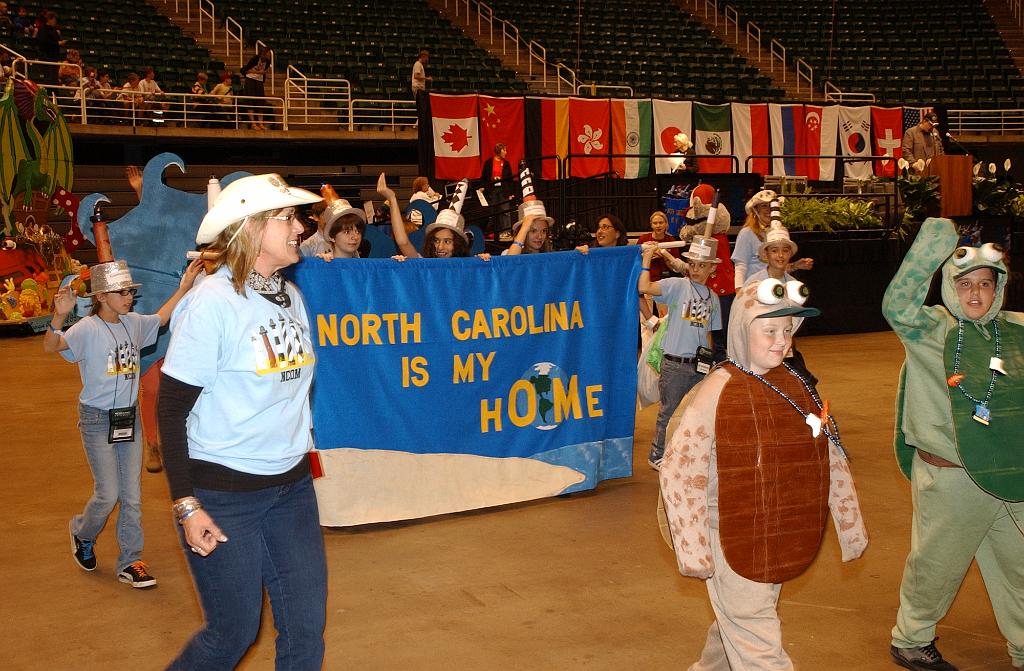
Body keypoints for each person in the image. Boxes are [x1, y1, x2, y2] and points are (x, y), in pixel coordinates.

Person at [157, 173, 328, 669]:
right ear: (251, 228)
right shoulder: (210, 304)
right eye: (288, 217)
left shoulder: (290, 296)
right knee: (232, 633)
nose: (300, 227)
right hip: (224, 495)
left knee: (305, 628)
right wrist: (187, 505)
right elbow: (171, 409)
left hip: (291, 487)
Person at [660, 277, 868, 670]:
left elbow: (827, 454)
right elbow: (680, 469)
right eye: (769, 330)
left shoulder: (794, 385)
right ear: (742, 328)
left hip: (780, 530)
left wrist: (848, 521)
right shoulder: (719, 390)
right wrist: (694, 549)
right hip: (731, 536)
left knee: (740, 621)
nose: (781, 341)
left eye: (788, 331)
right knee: (757, 638)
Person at [882, 217, 1024, 671]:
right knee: (937, 566)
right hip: (951, 476)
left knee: (1019, 568)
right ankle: (911, 639)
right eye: (964, 284)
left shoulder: (1016, 331)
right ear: (948, 284)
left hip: (1008, 475)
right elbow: (897, 304)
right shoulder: (929, 328)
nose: (976, 294)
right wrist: (935, 242)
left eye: (986, 283)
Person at [42, 258, 201, 587]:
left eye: (130, 291)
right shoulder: (86, 329)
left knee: (132, 495)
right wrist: (59, 315)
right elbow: (51, 345)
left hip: (128, 419)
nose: (128, 297)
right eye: (120, 291)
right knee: (108, 493)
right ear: (100, 296)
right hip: (97, 420)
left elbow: (161, 318)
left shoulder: (134, 323)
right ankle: (82, 532)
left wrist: (184, 286)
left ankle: (131, 560)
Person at [638, 236, 722, 469]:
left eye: (702, 265)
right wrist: (647, 258)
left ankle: (683, 452)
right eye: (692, 264)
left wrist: (710, 364)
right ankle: (657, 454)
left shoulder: (712, 299)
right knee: (669, 411)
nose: (696, 269)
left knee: (695, 413)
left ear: (712, 268)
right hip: (674, 363)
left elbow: (708, 335)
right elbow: (644, 287)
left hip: (699, 366)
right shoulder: (676, 286)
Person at [678, 185, 736, 361]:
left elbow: (698, 265)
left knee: (716, 336)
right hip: (701, 292)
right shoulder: (713, 238)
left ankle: (718, 368)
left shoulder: (714, 240)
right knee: (698, 331)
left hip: (715, 293)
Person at [480, 142, 515, 232]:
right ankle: (490, 232)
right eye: (504, 150)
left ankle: (506, 232)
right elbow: (484, 177)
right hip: (492, 190)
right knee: (491, 212)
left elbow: (510, 179)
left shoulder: (506, 163)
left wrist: (510, 193)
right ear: (499, 151)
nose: (506, 152)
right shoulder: (489, 162)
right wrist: (483, 187)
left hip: (504, 190)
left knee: (505, 211)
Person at [241, 45, 271, 130]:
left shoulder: (268, 61)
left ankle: (260, 123)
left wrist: (262, 73)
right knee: (250, 101)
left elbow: (264, 71)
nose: (269, 55)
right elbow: (245, 69)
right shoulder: (255, 59)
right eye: (268, 53)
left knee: (260, 101)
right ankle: (253, 123)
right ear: (263, 53)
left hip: (259, 81)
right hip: (251, 79)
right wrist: (257, 72)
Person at [35, 11, 63, 85]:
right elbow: (43, 42)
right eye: (54, 19)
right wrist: (57, 43)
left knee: (54, 79)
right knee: (48, 78)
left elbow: (57, 40)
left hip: (54, 58)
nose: (55, 21)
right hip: (46, 57)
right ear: (49, 19)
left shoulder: (54, 30)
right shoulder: (43, 29)